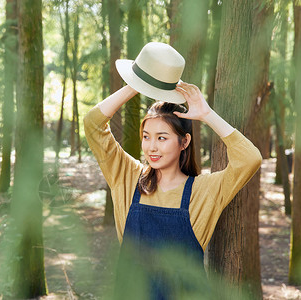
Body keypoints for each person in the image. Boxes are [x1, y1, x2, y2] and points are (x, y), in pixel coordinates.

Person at [83, 42, 262, 299]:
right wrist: (137, 85)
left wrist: (207, 114)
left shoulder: (204, 190)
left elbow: (250, 159)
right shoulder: (126, 175)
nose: (151, 147)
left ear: (184, 142)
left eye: (162, 138)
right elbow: (93, 124)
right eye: (146, 136)